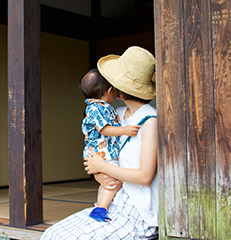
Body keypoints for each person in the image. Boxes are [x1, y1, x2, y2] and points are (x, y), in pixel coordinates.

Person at [40, 46, 158, 239]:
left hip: (137, 210)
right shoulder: (116, 115)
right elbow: (97, 156)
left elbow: (145, 177)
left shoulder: (150, 121)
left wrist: (102, 167)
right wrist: (99, 174)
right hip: (112, 202)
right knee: (51, 234)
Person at [78, 68, 141, 222]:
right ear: (110, 90)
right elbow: (104, 129)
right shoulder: (98, 107)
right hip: (102, 153)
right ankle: (100, 209)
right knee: (113, 182)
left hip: (99, 153)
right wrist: (124, 130)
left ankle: (99, 204)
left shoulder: (95, 107)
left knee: (106, 182)